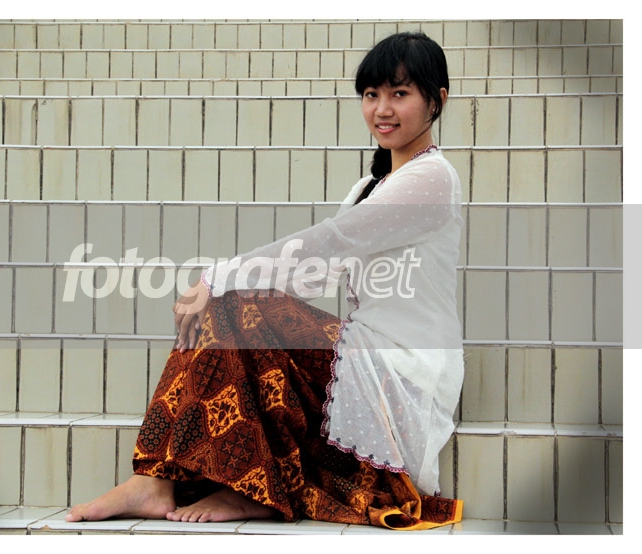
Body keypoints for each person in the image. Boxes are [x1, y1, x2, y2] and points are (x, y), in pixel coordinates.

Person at [66, 31, 465, 530]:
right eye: (371, 95)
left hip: (404, 369)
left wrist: (220, 277)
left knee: (231, 300)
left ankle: (222, 485)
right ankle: (159, 480)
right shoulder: (370, 186)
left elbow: (330, 241)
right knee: (232, 306)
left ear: (436, 100)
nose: (382, 109)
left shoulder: (432, 178)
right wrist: (234, 292)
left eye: (399, 94)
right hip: (365, 353)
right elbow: (315, 273)